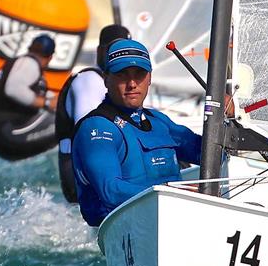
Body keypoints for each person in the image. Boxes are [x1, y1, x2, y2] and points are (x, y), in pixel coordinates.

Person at [72, 39, 202, 226]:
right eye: (122, 75)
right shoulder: (97, 128)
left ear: (149, 78)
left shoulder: (160, 122)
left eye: (139, 74)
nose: (132, 83)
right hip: (124, 229)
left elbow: (210, 153)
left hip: (176, 219)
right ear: (106, 79)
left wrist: (226, 118)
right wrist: (171, 192)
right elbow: (111, 191)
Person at [56, 24, 131, 202]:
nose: (119, 54)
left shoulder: (115, 85)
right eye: (113, 48)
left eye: (125, 50)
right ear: (99, 51)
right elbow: (93, 136)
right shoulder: (89, 80)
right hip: (84, 182)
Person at [0, 32, 58, 159]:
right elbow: (13, 89)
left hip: (2, 135)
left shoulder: (16, 65)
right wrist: (46, 103)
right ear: (50, 57)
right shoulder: (30, 63)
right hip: (10, 133)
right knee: (68, 118)